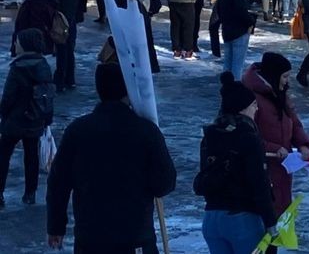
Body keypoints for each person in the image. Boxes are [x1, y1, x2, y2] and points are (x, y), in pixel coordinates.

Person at [46, 63, 177, 252]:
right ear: (128, 90)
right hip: (135, 236)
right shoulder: (146, 131)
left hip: (91, 237)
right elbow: (165, 183)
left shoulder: (78, 131)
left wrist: (55, 226)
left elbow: (58, 183)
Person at [196, 72, 276, 254]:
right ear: (244, 107)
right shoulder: (249, 137)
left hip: (211, 219)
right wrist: (271, 222)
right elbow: (260, 183)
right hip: (242, 220)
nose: (256, 109)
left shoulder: (210, 135)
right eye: (254, 105)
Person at [242, 53, 309, 217]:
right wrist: (273, 148)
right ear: (273, 75)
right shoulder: (250, 97)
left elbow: (294, 122)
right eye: (285, 76)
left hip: (282, 164)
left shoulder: (280, 93)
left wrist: (303, 144)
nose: (287, 81)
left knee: (280, 207)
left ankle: (274, 239)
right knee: (265, 211)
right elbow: (246, 135)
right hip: (262, 165)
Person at [0, 29, 53, 208]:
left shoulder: (18, 68)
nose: (15, 45)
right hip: (35, 118)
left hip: (15, 119)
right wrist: (47, 117)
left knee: (3, 154)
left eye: (17, 42)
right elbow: (48, 94)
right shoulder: (44, 66)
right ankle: (30, 193)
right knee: (31, 156)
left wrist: (4, 113)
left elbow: (8, 96)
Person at [216, 0, 257, 78]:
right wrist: (250, 22)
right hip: (239, 30)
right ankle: (235, 89)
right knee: (237, 65)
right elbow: (241, 10)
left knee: (228, 62)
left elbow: (219, 9)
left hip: (227, 29)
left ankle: (226, 86)